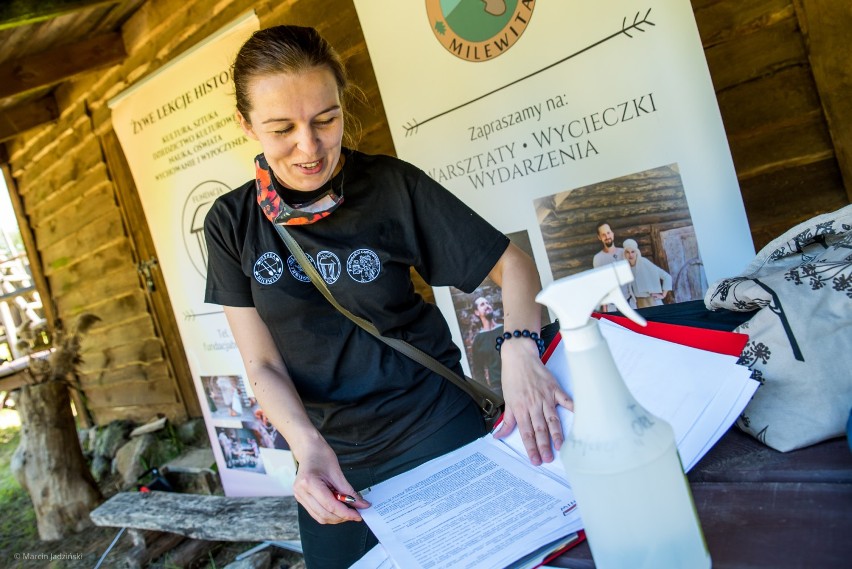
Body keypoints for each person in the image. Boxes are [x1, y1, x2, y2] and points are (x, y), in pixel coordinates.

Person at [203, 25, 571, 568]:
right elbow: (261, 364)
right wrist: (308, 449)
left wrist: (518, 348)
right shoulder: (231, 223)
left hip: (436, 429)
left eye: (326, 119)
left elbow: (513, 266)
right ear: (246, 125)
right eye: (282, 128)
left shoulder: (391, 186)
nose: (310, 147)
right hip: (331, 458)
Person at [622, 239, 673, 308]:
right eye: (627, 252)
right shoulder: (626, 268)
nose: (630, 255)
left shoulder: (644, 262)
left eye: (633, 252)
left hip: (652, 301)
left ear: (636, 252)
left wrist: (663, 295)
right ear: (624, 254)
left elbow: (667, 277)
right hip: (638, 303)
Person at [470, 295, 504, 388]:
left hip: (516, 379)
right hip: (497, 386)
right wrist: (488, 391)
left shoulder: (505, 329)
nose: (487, 305)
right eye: (482, 304)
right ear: (477, 312)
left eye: (487, 303)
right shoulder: (478, 340)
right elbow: (478, 369)